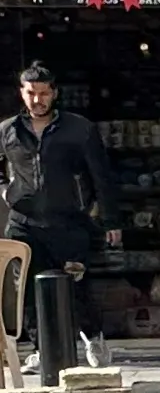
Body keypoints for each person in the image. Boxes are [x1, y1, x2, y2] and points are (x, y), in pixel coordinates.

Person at [3, 64, 120, 352]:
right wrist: (6, 191)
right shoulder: (8, 130)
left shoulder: (79, 129)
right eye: (31, 93)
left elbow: (101, 176)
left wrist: (111, 219)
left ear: (54, 93)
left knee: (75, 283)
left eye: (44, 93)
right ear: (22, 93)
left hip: (69, 221)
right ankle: (41, 350)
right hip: (24, 222)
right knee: (27, 290)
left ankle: (93, 340)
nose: (37, 100)